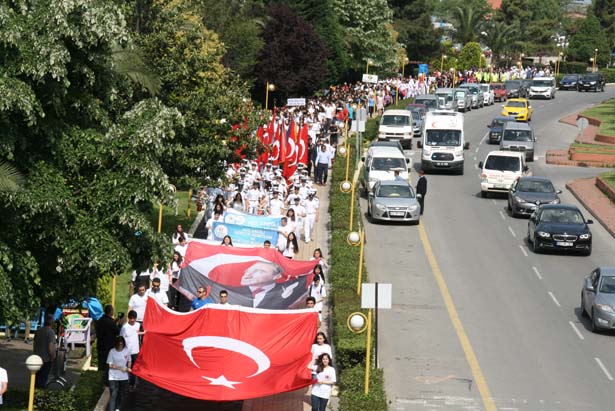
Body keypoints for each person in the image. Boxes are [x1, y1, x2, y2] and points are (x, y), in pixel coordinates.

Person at [239, 261, 307, 309]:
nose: (248, 275)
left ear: (276, 276)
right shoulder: (234, 292)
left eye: (259, 271)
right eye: (247, 271)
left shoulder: (286, 291)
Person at [96, 304, 119, 386]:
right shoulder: (111, 322)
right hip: (108, 346)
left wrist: (114, 321)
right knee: (108, 365)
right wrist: (119, 324)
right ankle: (107, 381)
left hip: (100, 345)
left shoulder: (100, 320)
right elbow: (117, 331)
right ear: (111, 311)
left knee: (101, 364)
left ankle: (99, 381)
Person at [107, 336, 131, 411]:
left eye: (122, 344)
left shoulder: (127, 351)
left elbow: (129, 360)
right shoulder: (112, 351)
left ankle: (117, 408)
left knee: (121, 394)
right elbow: (110, 365)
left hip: (123, 377)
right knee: (113, 395)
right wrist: (121, 368)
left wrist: (128, 367)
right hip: (113, 377)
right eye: (119, 344)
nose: (120, 345)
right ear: (116, 344)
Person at [119, 310, 141, 392]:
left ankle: (132, 384)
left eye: (134, 318)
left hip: (135, 351)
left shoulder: (138, 325)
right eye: (131, 318)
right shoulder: (124, 327)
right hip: (127, 352)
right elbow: (121, 339)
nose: (132, 320)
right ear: (128, 318)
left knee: (133, 369)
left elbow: (141, 331)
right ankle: (124, 383)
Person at [33, 314, 56, 388]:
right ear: (51, 322)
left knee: (37, 377)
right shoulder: (51, 332)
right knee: (43, 378)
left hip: (37, 357)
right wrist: (52, 357)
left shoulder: (38, 330)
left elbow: (34, 343)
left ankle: (35, 391)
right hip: (46, 359)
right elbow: (50, 347)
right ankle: (40, 391)